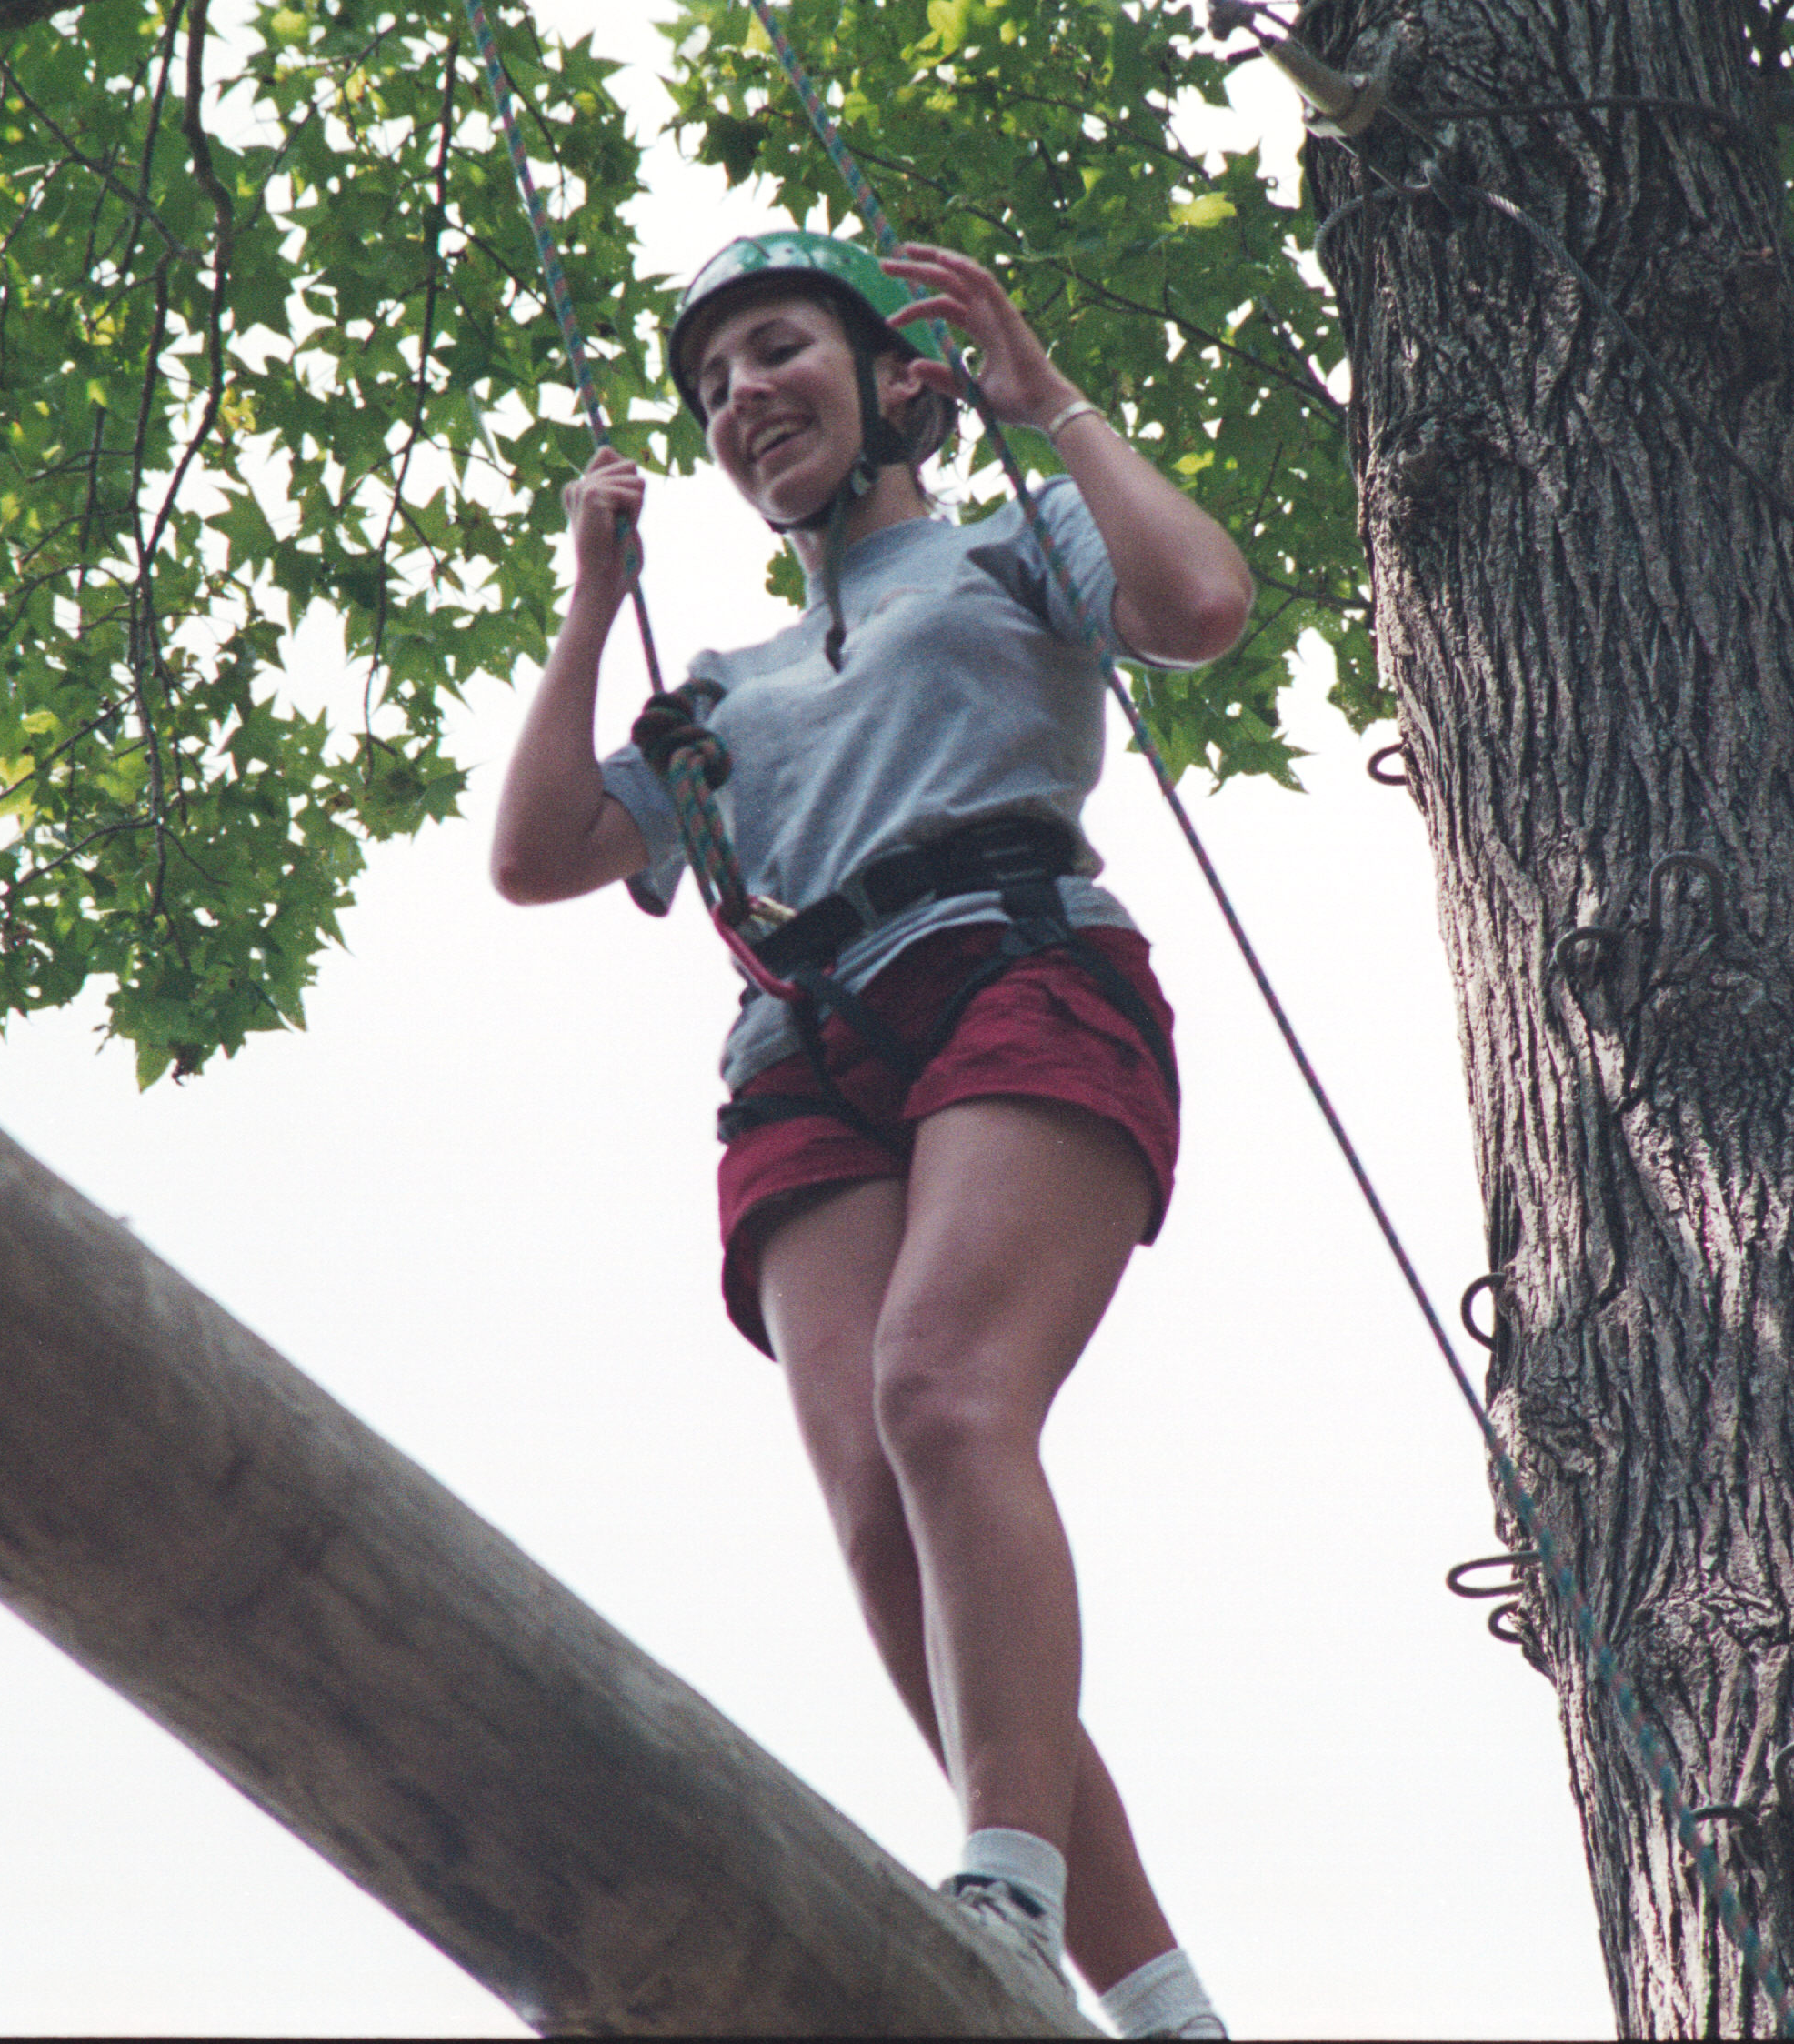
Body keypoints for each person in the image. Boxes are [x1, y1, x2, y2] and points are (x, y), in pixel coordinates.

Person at [488, 229, 1251, 2040]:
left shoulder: (1007, 543)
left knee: (940, 1391)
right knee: (876, 1510)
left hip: (1003, 954)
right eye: (714, 387)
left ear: (890, 378)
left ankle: (1003, 1861)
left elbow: (1201, 603)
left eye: (776, 352)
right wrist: (593, 601)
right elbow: (532, 860)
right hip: (807, 1041)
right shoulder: (722, 697)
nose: (743, 396)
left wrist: (1040, 399)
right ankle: (1158, 2001)